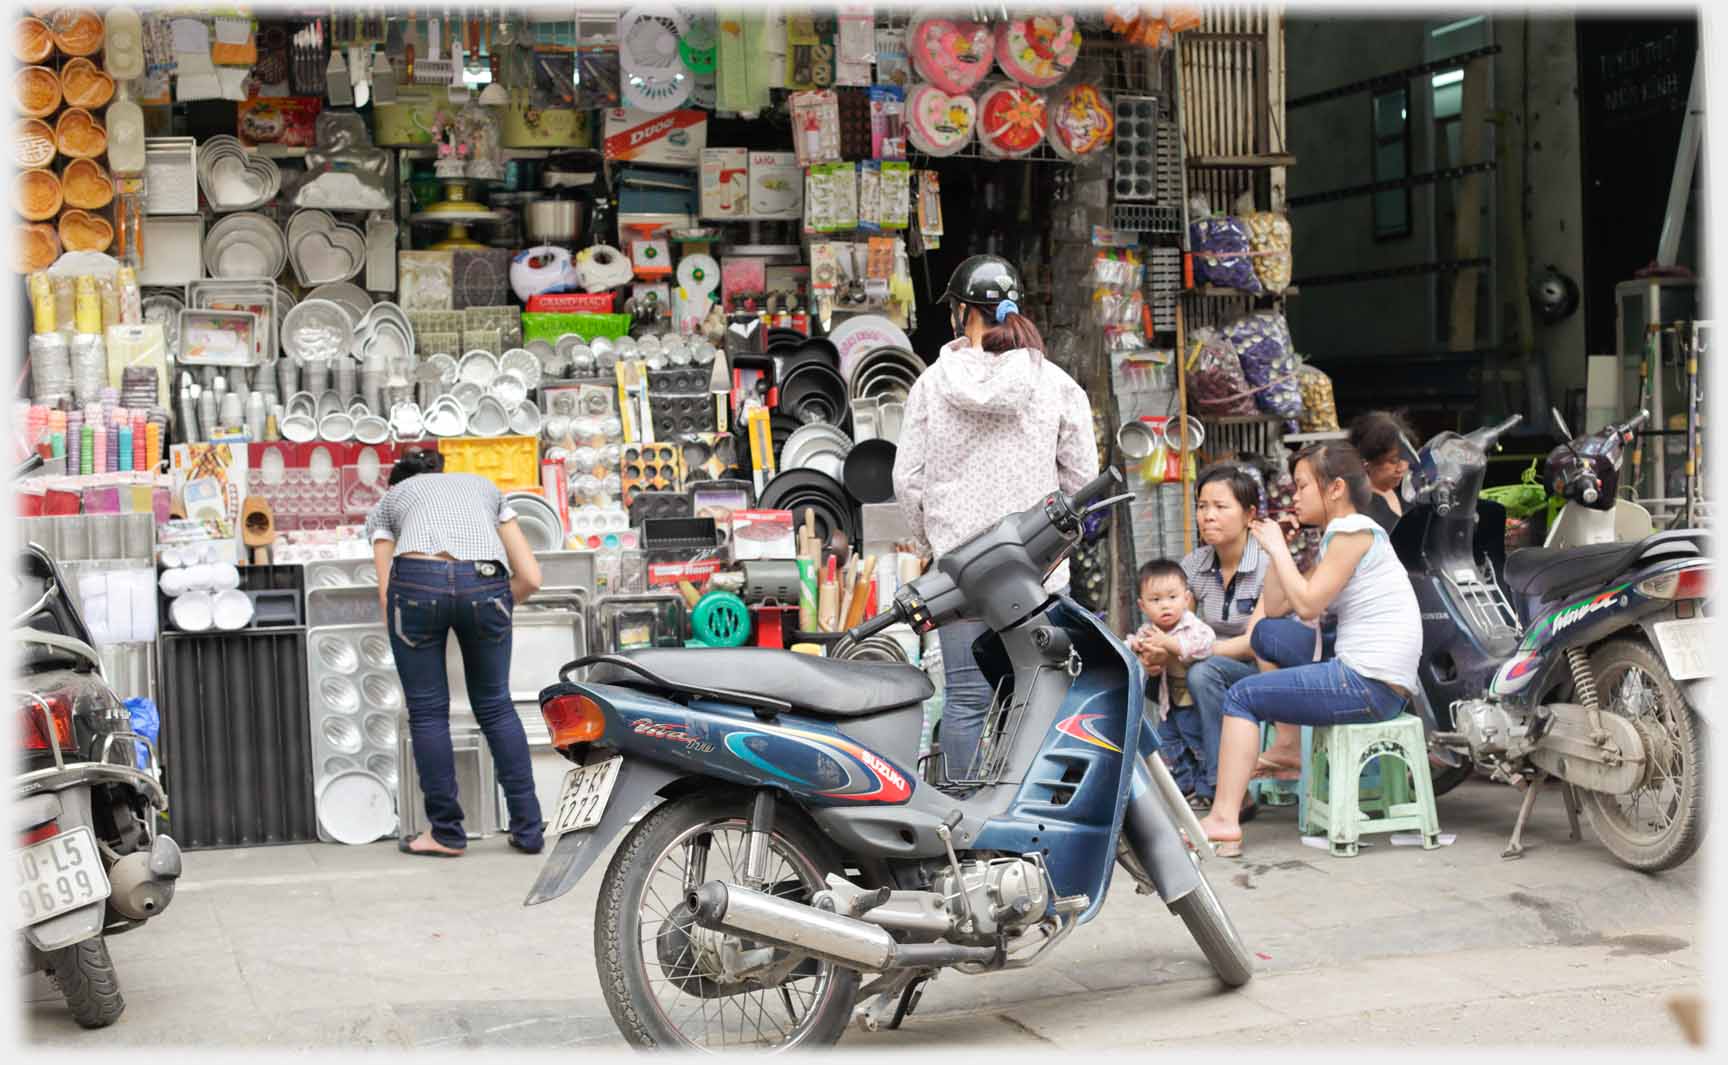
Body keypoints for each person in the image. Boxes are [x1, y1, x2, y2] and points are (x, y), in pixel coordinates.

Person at [893, 254, 1099, 784]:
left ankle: (966, 826)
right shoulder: (1056, 385)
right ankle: (1034, 820)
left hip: (960, 574)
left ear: (963, 313)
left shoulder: (930, 387)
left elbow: (907, 481)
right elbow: (1082, 485)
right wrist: (1056, 546)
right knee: (1042, 696)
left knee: (965, 699)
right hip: (1037, 573)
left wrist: (930, 543)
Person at [1197, 443, 1423, 857]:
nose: (1294, 497)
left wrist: (1279, 551)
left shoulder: (1353, 532)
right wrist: (1274, 551)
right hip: (1364, 674)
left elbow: (1308, 604)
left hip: (1368, 684)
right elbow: (1281, 607)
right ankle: (1286, 743)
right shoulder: (1343, 536)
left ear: (1335, 488)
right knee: (1266, 633)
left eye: (1302, 487)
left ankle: (1224, 820)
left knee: (1241, 696)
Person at [366, 448, 546, 857]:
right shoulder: (484, 488)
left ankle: (446, 833)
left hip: (415, 584)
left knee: (429, 712)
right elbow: (532, 577)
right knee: (497, 707)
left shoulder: (390, 500)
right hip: (486, 582)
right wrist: (494, 603)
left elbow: (385, 593)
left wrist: (409, 620)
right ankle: (529, 830)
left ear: (399, 481)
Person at [1142, 461, 1272, 813]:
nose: (1207, 516)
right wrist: (1154, 651)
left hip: (1261, 670)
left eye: (1220, 506)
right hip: (1207, 665)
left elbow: (1253, 642)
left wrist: (1189, 649)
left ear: (1249, 515)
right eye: (1202, 506)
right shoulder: (1194, 565)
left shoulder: (1266, 564)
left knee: (1203, 672)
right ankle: (1183, 775)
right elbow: (1174, 623)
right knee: (1145, 673)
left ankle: (1227, 790)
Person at [1127, 560, 1216, 809]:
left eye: (1172, 597)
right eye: (1155, 600)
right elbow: (1136, 643)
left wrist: (1168, 644)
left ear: (1186, 599)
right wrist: (1137, 646)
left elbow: (1204, 645)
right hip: (1170, 702)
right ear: (1142, 605)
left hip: (1194, 702)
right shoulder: (1150, 630)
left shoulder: (1192, 626)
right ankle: (1182, 787)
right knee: (1168, 743)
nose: (1165, 605)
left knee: (1197, 743)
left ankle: (1205, 789)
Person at [1347, 409, 1417, 535]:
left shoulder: (1405, 491)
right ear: (1367, 460)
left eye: (1405, 459)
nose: (1401, 468)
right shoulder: (1358, 507)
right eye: (1393, 461)